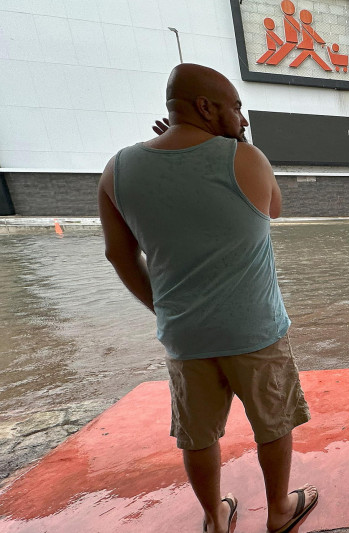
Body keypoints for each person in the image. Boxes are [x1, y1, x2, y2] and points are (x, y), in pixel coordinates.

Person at [97, 63, 318, 533]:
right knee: (273, 422)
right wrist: (236, 143)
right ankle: (279, 511)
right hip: (255, 329)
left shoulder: (117, 170)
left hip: (185, 335)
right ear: (205, 107)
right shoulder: (246, 158)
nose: (242, 118)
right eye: (236, 107)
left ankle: (216, 518)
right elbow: (275, 208)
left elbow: (119, 256)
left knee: (197, 435)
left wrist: (163, 307)